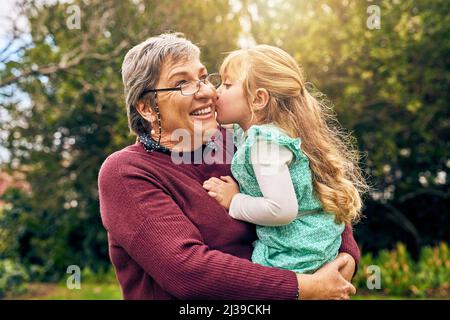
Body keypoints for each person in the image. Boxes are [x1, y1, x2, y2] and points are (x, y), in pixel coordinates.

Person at [98, 33, 360, 300]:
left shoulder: (242, 141)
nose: (207, 91)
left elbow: (313, 192)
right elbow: (188, 272)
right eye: (182, 83)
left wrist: (346, 257)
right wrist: (306, 288)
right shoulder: (127, 172)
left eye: (203, 78)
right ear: (147, 108)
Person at [203, 45, 369, 274]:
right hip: (315, 246)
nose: (216, 92)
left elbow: (281, 209)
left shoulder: (265, 144)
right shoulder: (272, 133)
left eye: (227, 85)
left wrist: (234, 201)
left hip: (294, 255)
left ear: (259, 99)